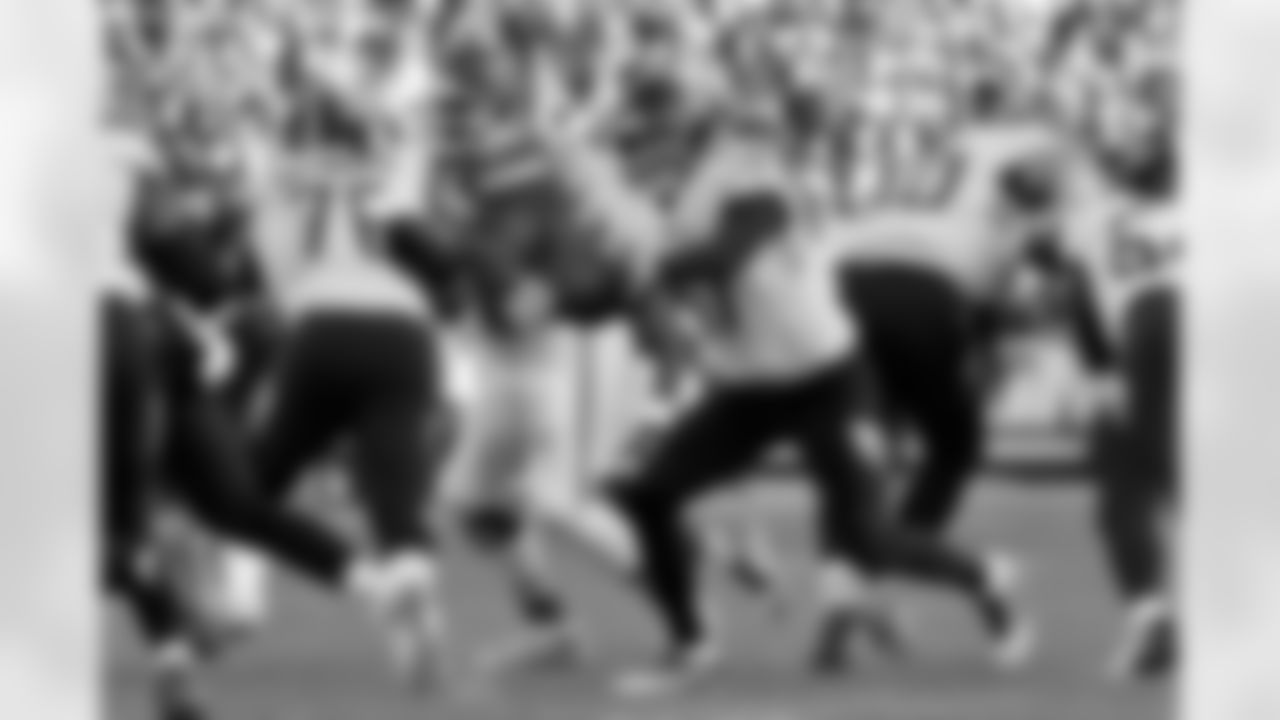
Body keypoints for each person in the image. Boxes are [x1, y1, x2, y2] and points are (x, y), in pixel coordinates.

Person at [603, 187, 1033, 696]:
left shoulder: (752, 208)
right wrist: (593, 281)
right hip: (746, 392)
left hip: (828, 385)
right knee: (647, 494)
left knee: (867, 534)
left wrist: (646, 265)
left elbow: (731, 246)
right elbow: (599, 299)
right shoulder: (672, 235)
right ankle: (690, 640)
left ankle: (985, 575)